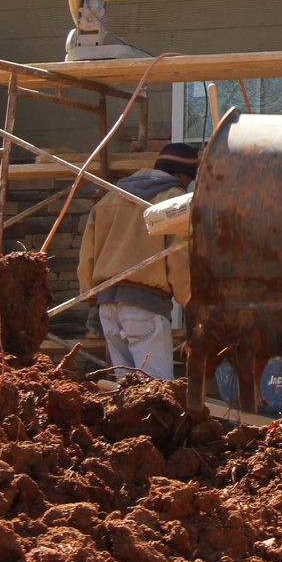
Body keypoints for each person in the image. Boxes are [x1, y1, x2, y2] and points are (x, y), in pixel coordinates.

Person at [78, 142, 196, 382]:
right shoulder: (174, 202)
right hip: (145, 306)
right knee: (156, 393)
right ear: (183, 175)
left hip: (107, 308)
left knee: (127, 393)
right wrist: (192, 304)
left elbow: (87, 256)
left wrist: (91, 298)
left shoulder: (110, 198)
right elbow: (179, 258)